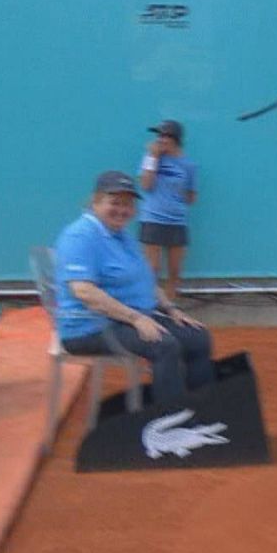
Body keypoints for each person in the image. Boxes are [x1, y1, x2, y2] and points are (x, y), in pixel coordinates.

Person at [54, 170, 214, 407]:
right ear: (96, 201)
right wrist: (136, 319)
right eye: (115, 202)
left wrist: (170, 309)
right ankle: (171, 420)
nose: (122, 210)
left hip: (124, 318)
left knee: (197, 338)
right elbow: (84, 291)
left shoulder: (121, 236)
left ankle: (202, 410)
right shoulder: (80, 236)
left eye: (128, 204)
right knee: (164, 345)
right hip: (88, 328)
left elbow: (145, 280)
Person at [137, 119, 198, 301]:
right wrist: (153, 157)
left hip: (177, 221)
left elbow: (191, 196)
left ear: (175, 139)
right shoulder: (150, 159)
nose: (160, 140)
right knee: (152, 269)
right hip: (152, 219)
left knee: (174, 270)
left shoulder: (189, 165)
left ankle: (170, 307)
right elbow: (145, 185)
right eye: (159, 136)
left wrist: (176, 199)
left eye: (164, 136)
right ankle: (148, 305)